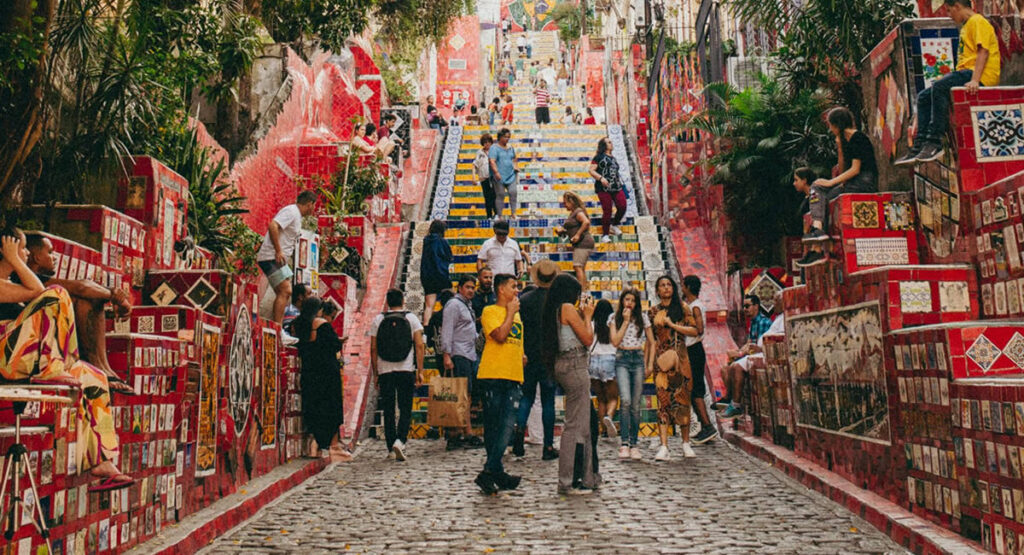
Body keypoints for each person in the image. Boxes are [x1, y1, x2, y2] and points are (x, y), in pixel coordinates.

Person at [0, 226, 133, 491]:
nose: (25, 253)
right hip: (6, 359)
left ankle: (102, 460)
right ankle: (53, 367)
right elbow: (38, 292)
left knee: (93, 377)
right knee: (57, 294)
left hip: (25, 358)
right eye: (23, 247)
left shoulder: (15, 283)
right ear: (7, 248)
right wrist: (13, 259)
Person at [22, 233, 133, 393]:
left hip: (45, 340)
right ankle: (98, 367)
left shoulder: (36, 279)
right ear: (37, 257)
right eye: (50, 252)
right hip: (32, 345)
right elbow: (81, 287)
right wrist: (114, 296)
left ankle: (104, 368)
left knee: (91, 299)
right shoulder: (26, 279)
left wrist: (112, 296)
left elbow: (83, 288)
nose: (55, 258)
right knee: (83, 298)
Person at [896, 0, 1000, 165]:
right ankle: (919, 146)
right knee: (923, 97)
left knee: (939, 87)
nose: (949, 15)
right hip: (966, 72)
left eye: (950, 11)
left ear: (958, 6)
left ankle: (934, 141)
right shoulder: (966, 26)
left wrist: (975, 80)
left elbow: (983, 51)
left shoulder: (978, 21)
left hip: (978, 74)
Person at [542, 274, 601, 494]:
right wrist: (587, 316)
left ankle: (586, 476)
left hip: (567, 365)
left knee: (583, 425)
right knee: (575, 426)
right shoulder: (566, 308)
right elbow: (587, 338)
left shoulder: (556, 309)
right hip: (574, 365)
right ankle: (566, 481)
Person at [474, 273, 525, 494]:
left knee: (507, 426)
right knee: (495, 427)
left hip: (513, 374)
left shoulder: (516, 314)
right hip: (493, 375)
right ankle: (495, 471)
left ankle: (491, 471)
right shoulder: (490, 311)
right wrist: (511, 313)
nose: (517, 291)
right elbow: (501, 336)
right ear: (501, 289)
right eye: (513, 287)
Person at [802, 107, 878, 244]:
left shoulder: (858, 138)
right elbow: (844, 171)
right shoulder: (845, 141)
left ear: (837, 124)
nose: (830, 129)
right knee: (816, 187)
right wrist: (840, 148)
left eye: (831, 125)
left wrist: (832, 182)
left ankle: (819, 242)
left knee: (826, 199)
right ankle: (818, 229)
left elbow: (855, 169)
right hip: (851, 182)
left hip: (864, 181)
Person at [512, 259, 560, 460]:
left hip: (528, 355)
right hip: (549, 357)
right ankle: (548, 446)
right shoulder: (557, 300)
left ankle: (518, 433)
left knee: (527, 397)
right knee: (548, 401)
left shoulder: (525, 299)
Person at [370, 289, 425, 461]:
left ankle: (390, 447)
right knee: (405, 407)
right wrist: (420, 371)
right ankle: (401, 441)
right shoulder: (411, 318)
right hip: (405, 369)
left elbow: (373, 348)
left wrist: (375, 373)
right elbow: (419, 346)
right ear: (403, 300)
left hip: (385, 370)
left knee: (388, 409)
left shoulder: (378, 320)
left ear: (387, 301)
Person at [293, 296, 349, 461]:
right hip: (327, 372)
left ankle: (314, 445)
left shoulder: (299, 324)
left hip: (309, 372)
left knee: (314, 407)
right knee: (332, 407)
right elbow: (333, 345)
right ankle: (333, 447)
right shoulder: (321, 325)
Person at [649, 275, 699, 460]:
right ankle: (664, 446)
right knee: (663, 402)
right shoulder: (653, 312)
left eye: (669, 284)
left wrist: (673, 325)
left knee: (683, 400)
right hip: (661, 361)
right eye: (662, 285)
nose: (666, 288)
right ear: (657, 290)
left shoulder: (683, 309)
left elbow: (695, 330)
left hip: (681, 359)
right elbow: (652, 339)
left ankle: (686, 443)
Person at [719, 292, 784, 420]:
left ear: (756, 306)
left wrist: (742, 353)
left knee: (735, 367)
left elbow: (768, 343)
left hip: (764, 354)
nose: (745, 309)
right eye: (744, 306)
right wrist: (739, 352)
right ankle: (730, 401)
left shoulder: (764, 322)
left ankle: (735, 405)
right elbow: (749, 343)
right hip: (757, 352)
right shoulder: (763, 321)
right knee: (726, 368)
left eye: (747, 306)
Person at [258, 190, 317, 325]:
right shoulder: (291, 211)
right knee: (285, 290)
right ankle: (277, 327)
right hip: (271, 257)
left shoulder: (297, 216)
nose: (313, 209)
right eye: (313, 206)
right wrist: (278, 251)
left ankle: (274, 325)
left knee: (285, 292)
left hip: (279, 260)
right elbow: (273, 225)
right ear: (309, 204)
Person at [440, 276, 484, 450]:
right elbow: (447, 330)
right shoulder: (453, 305)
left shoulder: (467, 305)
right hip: (458, 354)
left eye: (473, 287)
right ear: (459, 288)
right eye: (467, 287)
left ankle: (462, 431)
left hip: (469, 353)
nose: (471, 290)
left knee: (467, 394)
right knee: (461, 395)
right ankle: (464, 432)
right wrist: (446, 355)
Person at [609, 288, 654, 459]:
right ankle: (624, 443)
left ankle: (634, 443)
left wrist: (649, 363)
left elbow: (652, 341)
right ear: (622, 301)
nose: (629, 303)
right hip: (622, 359)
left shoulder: (643, 318)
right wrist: (626, 322)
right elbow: (615, 341)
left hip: (638, 358)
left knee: (635, 404)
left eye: (633, 300)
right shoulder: (614, 318)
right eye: (627, 299)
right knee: (626, 400)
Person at [681, 275, 718, 444]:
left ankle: (707, 424)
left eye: (683, 286)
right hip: (692, 350)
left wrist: (681, 328)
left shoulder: (695, 307)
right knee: (692, 388)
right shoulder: (692, 305)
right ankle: (704, 426)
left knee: (696, 388)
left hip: (693, 350)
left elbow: (699, 329)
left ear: (688, 287)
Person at [589, 299, 618, 440]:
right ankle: (609, 417)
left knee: (601, 399)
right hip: (609, 360)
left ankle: (604, 429)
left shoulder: (592, 324)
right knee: (612, 397)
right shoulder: (613, 324)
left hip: (593, 362)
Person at [588, 137, 626, 242]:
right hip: (603, 188)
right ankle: (605, 234)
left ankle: (614, 225)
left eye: (611, 141)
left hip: (617, 186)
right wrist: (601, 178)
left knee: (622, 205)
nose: (611, 143)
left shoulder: (613, 158)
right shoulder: (598, 157)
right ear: (604, 145)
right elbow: (591, 170)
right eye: (609, 142)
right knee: (607, 210)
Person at [554, 192, 594, 289]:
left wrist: (577, 235)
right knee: (580, 268)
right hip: (581, 244)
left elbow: (586, 222)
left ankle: (581, 292)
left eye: (565, 203)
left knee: (578, 267)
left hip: (583, 243)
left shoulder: (578, 212)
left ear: (571, 201)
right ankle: (583, 291)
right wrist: (562, 231)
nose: (564, 205)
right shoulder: (573, 213)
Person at [791, 167, 828, 267]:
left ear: (804, 180)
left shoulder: (815, 195)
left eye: (796, 180)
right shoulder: (806, 199)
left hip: (814, 240)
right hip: (808, 244)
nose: (794, 183)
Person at [420, 220, 452, 326]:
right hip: (441, 274)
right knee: (452, 300)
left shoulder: (426, 241)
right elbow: (449, 257)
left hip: (427, 276)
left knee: (429, 305)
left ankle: (426, 327)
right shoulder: (443, 241)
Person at [488, 128, 520, 220]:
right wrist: (496, 172)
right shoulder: (494, 148)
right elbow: (492, 161)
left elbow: (514, 159)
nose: (507, 139)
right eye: (505, 137)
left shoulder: (511, 148)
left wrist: (516, 166)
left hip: (511, 174)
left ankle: (513, 213)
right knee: (500, 194)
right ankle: (500, 215)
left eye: (508, 137)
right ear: (500, 137)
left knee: (513, 192)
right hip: (499, 176)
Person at [474, 134, 498, 219]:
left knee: (494, 196)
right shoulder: (479, 153)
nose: (487, 144)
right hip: (484, 178)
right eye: (485, 142)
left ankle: (496, 214)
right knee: (487, 197)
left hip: (493, 178)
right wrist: (474, 177)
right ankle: (489, 215)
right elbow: (475, 165)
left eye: (488, 142)